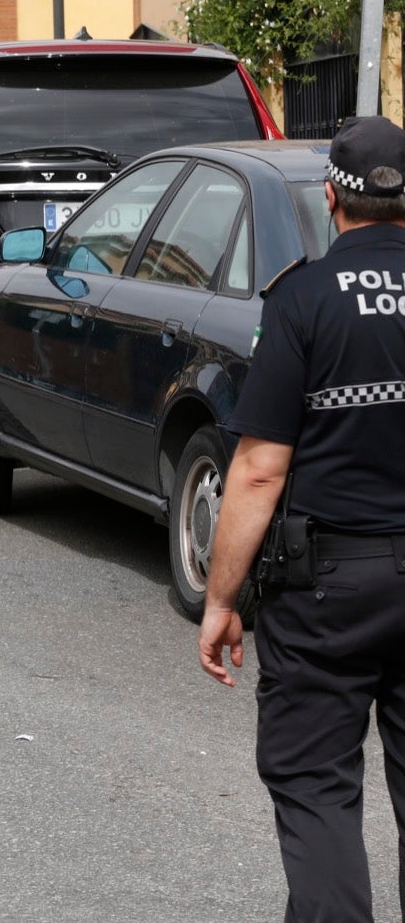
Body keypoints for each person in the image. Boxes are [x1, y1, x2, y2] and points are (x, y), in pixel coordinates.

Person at [199, 115, 405, 919]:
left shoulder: (302, 298)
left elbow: (258, 470)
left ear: (331, 197)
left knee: (316, 786)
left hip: (328, 591)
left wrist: (221, 598)